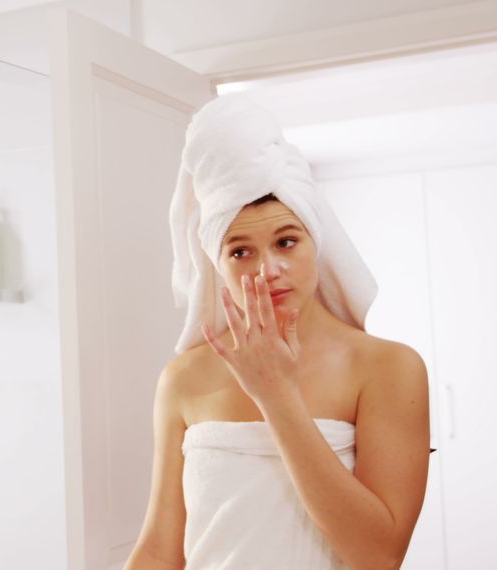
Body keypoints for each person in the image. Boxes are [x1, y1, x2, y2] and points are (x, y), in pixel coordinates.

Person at [124, 95, 429, 569]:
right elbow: (160, 549)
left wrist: (276, 394)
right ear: (216, 263)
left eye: (286, 241)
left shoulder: (387, 369)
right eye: (240, 251)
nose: (268, 270)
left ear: (315, 239)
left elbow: (378, 556)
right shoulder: (184, 379)